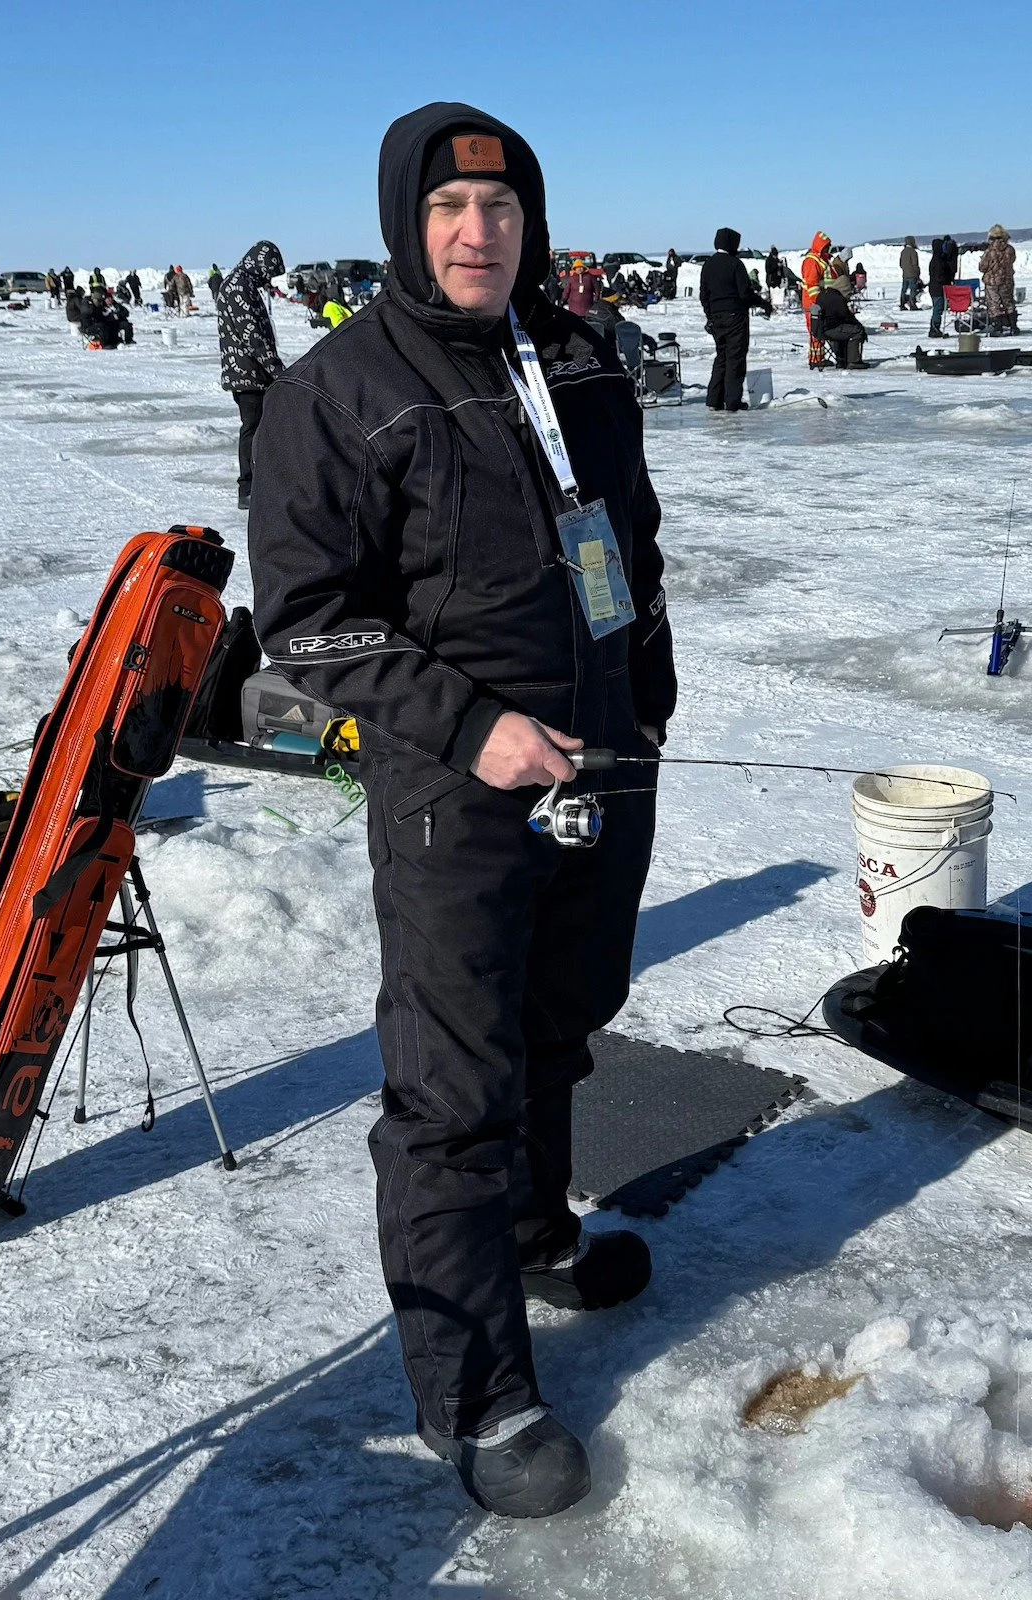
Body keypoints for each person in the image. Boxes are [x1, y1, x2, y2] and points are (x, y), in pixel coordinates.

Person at [249, 101, 673, 1521]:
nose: (477, 233)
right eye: (447, 213)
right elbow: (302, 630)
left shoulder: (581, 354)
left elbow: (632, 535)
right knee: (453, 1091)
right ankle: (477, 1394)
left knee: (564, 1018)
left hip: (603, 753)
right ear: (404, 228)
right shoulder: (339, 392)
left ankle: (538, 1234)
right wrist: (471, 725)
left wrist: (645, 691)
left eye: (498, 210)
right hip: (454, 789)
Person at [215, 239, 286, 510]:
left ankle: (261, 481)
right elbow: (252, 335)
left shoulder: (243, 284)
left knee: (261, 428)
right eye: (269, 272)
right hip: (248, 375)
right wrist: (275, 368)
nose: (268, 278)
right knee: (253, 429)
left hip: (254, 373)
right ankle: (248, 486)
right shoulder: (238, 287)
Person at [700, 226, 760, 409]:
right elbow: (745, 294)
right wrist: (763, 303)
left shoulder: (708, 265)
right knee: (735, 358)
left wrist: (710, 316)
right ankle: (732, 401)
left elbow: (704, 295)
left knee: (721, 357)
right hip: (735, 317)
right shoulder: (735, 264)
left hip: (717, 318)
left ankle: (714, 399)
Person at [799, 231, 834, 368]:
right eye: (826, 247)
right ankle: (815, 359)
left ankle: (819, 357)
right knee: (815, 332)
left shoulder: (822, 260)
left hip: (822, 302)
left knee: (819, 332)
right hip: (814, 304)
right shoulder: (812, 261)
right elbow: (812, 285)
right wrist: (818, 302)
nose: (827, 249)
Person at [813, 283, 869, 368]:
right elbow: (847, 317)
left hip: (819, 330)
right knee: (857, 331)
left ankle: (841, 359)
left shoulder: (822, 294)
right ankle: (853, 361)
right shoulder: (838, 299)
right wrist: (860, 326)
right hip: (830, 330)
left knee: (843, 330)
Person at [979, 225, 1017, 334]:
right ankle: (1013, 326)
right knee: (1009, 302)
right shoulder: (1010, 249)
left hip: (992, 281)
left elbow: (982, 267)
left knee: (994, 304)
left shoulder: (989, 251)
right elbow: (1012, 260)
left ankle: (998, 327)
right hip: (1007, 280)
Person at [927, 234, 958, 338]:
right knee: (938, 309)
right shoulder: (939, 261)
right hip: (938, 289)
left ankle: (934, 328)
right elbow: (940, 276)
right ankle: (934, 328)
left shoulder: (935, 259)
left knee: (937, 309)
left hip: (934, 288)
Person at [899, 236, 920, 310]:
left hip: (905, 274)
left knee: (904, 290)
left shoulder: (903, 252)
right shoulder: (913, 252)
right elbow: (915, 264)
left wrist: (905, 269)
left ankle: (902, 304)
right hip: (912, 274)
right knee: (913, 290)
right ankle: (912, 304)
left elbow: (900, 264)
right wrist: (917, 274)